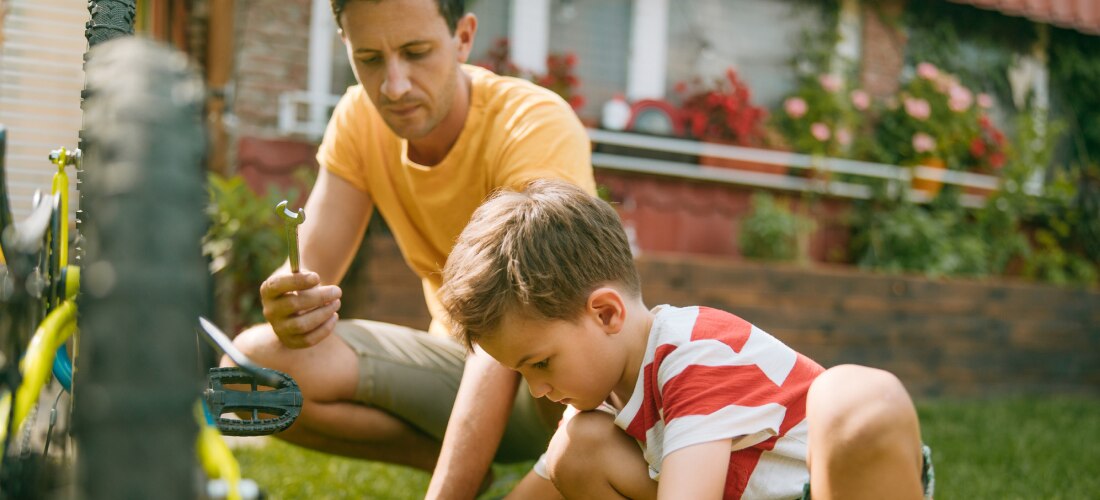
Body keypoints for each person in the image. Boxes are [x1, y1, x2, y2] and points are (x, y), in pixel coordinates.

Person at [228, 0, 594, 497]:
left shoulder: (532, 124)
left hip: (548, 382)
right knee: (249, 372)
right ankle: (457, 461)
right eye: (370, 59)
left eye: (416, 53)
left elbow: (524, 319)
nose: (393, 87)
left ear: (463, 37)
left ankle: (559, 465)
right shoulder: (359, 118)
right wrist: (289, 302)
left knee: (554, 341)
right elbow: (312, 269)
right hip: (453, 366)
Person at [439, 179, 934, 499]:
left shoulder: (692, 356)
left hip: (844, 486)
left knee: (854, 394)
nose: (536, 389)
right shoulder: (604, 393)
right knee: (578, 447)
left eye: (541, 363)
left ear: (606, 313)